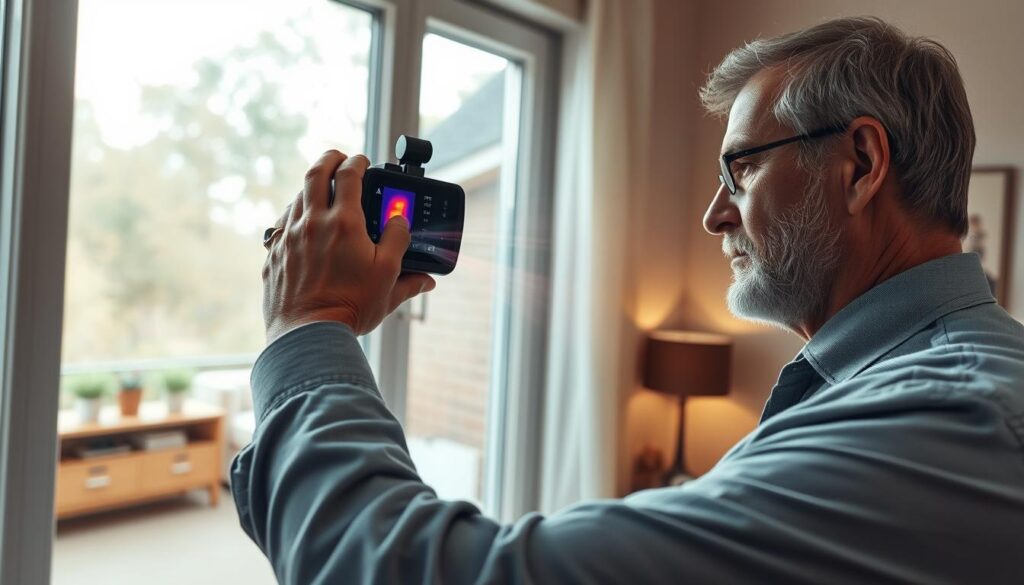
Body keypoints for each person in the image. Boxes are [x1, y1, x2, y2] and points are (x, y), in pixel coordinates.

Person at [232, 16, 1024, 584]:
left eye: (739, 169)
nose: (714, 214)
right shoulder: (914, 393)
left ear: (859, 162)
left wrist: (310, 327)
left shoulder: (949, 417)